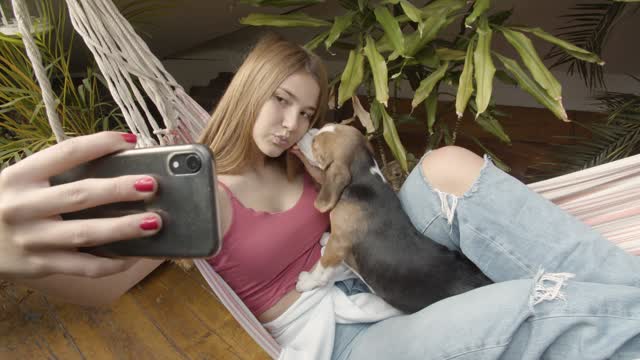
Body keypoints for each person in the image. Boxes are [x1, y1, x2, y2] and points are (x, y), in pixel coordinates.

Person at [1, 33, 639, 359]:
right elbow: (100, 283)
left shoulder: (308, 163)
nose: (290, 124)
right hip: (345, 338)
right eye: (280, 101)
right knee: (529, 307)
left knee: (445, 167)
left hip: (389, 268)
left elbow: (364, 192)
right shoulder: (198, 193)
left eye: (305, 113)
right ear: (249, 90)